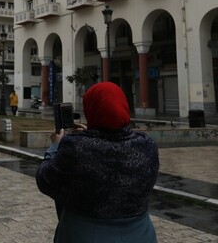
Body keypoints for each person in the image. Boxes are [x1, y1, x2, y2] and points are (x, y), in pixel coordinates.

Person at [36, 82, 159, 242]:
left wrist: (55, 145)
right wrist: (91, 133)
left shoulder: (77, 147)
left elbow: (45, 180)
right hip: (141, 235)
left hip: (85, 235)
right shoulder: (147, 145)